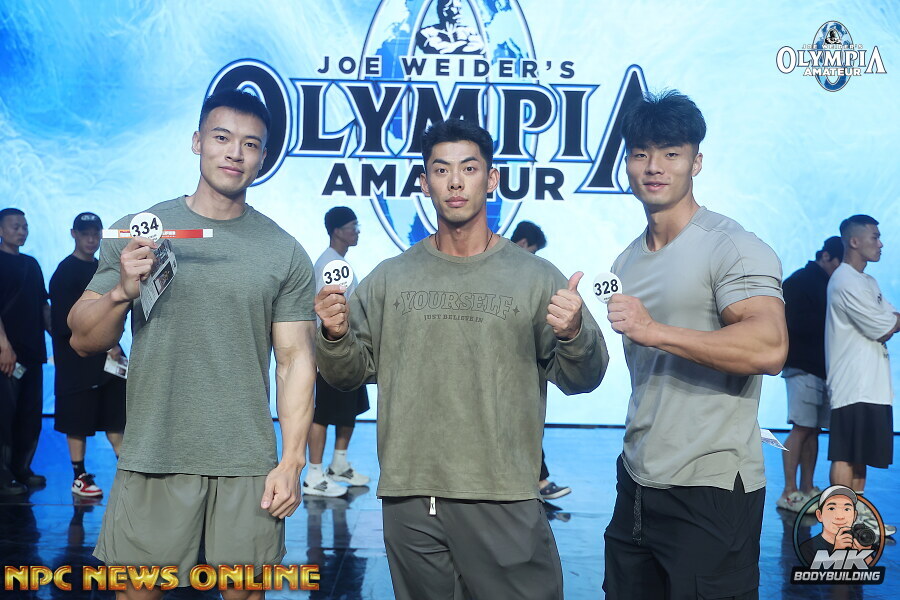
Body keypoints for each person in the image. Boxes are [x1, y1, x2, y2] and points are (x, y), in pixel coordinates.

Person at [315, 118, 609, 600]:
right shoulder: (390, 278)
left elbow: (585, 378)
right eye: (441, 170)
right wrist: (333, 333)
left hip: (502, 493)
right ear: (424, 182)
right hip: (410, 498)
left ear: (491, 179)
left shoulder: (535, 277)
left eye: (469, 169)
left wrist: (575, 332)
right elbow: (347, 374)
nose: (455, 182)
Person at [68, 89, 317, 600]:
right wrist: (121, 292)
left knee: (245, 592)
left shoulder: (284, 251)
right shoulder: (140, 231)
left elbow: (294, 361)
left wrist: (292, 461)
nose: (235, 153)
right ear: (197, 141)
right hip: (154, 449)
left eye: (250, 144)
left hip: (246, 459)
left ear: (263, 158)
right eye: (222, 138)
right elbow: (82, 338)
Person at [603, 91, 788, 599]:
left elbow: (769, 347)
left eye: (671, 153)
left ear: (696, 162)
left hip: (710, 487)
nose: (654, 166)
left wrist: (655, 330)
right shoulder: (625, 262)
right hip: (637, 483)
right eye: (640, 153)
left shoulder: (731, 245)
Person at [826, 214, 898, 536]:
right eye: (875, 237)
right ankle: (839, 522)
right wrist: (890, 321)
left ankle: (858, 519)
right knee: (845, 454)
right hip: (852, 384)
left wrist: (890, 321)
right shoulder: (844, 280)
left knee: (860, 456)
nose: (880, 244)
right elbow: (882, 325)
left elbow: (890, 317)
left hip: (872, 384)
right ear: (854, 241)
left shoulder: (867, 281)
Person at [49, 212, 126, 498]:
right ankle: (79, 476)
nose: (91, 239)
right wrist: (102, 341)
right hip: (76, 361)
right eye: (85, 234)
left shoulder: (102, 269)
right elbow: (64, 324)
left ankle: (127, 472)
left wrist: (113, 344)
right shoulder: (64, 272)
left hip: (108, 359)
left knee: (115, 416)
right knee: (76, 418)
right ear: (74, 234)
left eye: (96, 234)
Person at [304, 206, 370, 497]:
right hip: (329, 353)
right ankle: (314, 475)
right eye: (352, 226)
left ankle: (339, 465)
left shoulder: (340, 263)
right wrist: (326, 352)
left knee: (349, 407)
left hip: (348, 349)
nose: (357, 231)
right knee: (322, 414)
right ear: (337, 231)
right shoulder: (328, 265)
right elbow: (324, 312)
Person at [776, 236, 843, 512]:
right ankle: (789, 491)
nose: (839, 270)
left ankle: (806, 488)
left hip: (820, 368)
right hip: (801, 365)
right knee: (802, 427)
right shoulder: (800, 280)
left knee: (813, 429)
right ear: (826, 256)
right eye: (838, 263)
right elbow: (793, 324)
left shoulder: (827, 283)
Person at [509, 220, 570, 501]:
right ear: (523, 244)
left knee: (524, 422)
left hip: (519, 361)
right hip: (512, 364)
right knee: (522, 422)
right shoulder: (512, 272)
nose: (534, 259)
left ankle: (538, 480)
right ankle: (539, 481)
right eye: (533, 252)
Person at [0, 207, 50, 495]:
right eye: (15, 226)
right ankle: (3, 476)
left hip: (33, 354)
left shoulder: (32, 264)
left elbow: (43, 305)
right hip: (6, 356)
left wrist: (64, 337)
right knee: (4, 418)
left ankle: (22, 469)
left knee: (29, 416)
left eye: (25, 226)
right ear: (1, 230)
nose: (22, 231)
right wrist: (4, 346)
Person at [798, 485, 875, 566]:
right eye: (832, 508)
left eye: (846, 509)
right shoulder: (808, 548)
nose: (840, 516)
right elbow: (815, 572)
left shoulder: (856, 541)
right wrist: (837, 552)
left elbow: (871, 571)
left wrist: (865, 554)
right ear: (820, 515)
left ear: (855, 516)